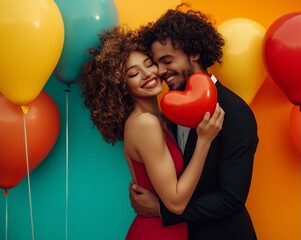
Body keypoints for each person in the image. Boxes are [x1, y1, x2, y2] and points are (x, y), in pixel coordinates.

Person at [78, 26, 224, 240]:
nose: (148, 74)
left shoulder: (162, 118)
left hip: (171, 229)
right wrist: (204, 141)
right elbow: (176, 202)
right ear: (122, 86)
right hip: (157, 232)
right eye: (134, 73)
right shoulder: (144, 123)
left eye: (149, 64)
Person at [129, 4, 259, 240]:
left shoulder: (236, 112)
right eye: (156, 62)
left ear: (195, 53)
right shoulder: (169, 109)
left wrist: (163, 211)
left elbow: (231, 199)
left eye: (167, 60)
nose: (160, 71)